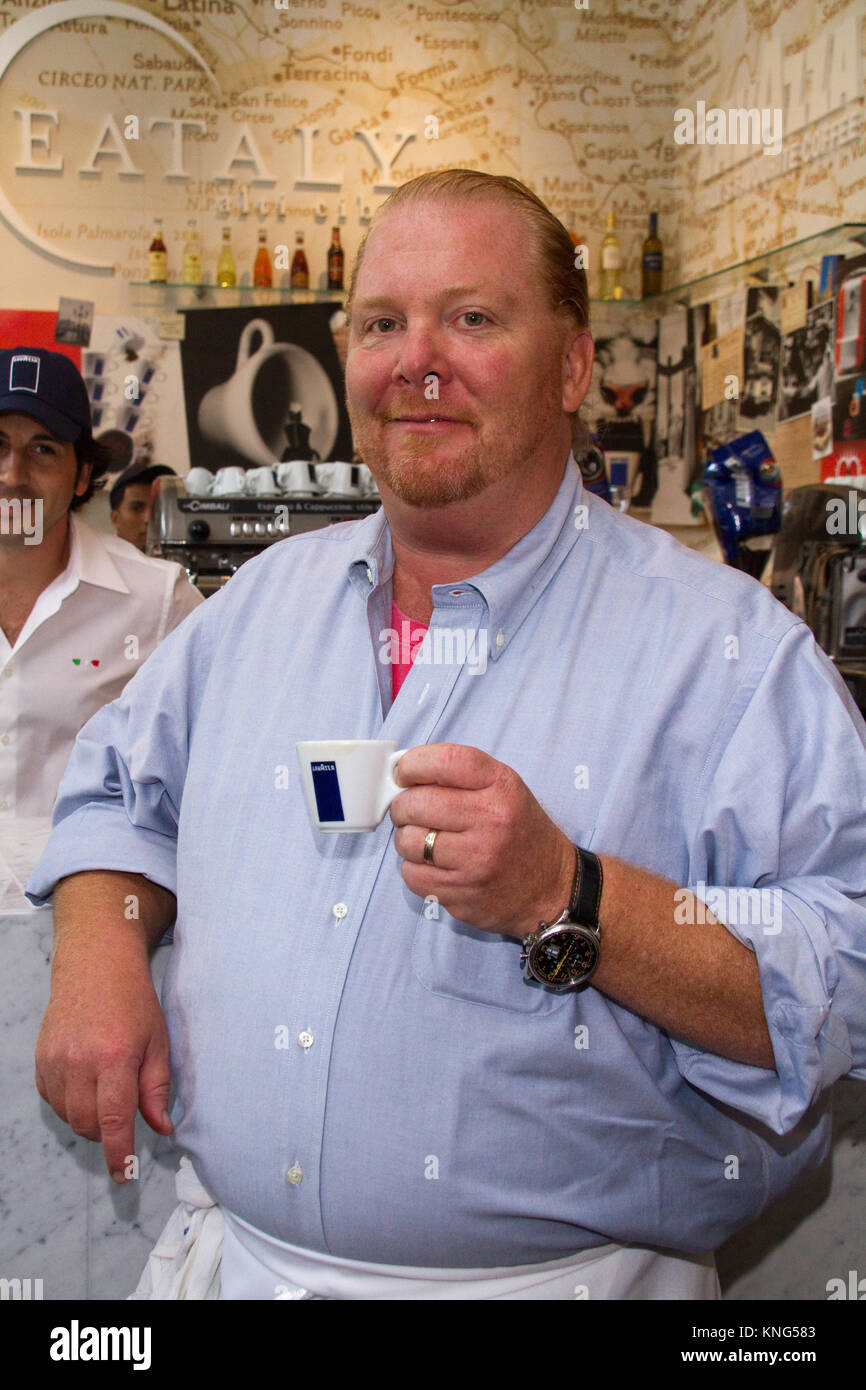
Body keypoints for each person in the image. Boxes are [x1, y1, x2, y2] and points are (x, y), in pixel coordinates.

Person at [28, 173, 866, 1300]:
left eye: (471, 318)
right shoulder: (254, 611)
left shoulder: (727, 656)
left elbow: (848, 970)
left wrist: (572, 898)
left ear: (572, 365)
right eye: (383, 323)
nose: (416, 359)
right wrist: (99, 947)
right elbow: (118, 793)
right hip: (240, 1269)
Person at [0, 347, 203, 820]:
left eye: (42, 449)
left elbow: (231, 754)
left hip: (86, 890)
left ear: (82, 475)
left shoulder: (159, 601)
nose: (13, 475)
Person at [109, 460, 176, 553]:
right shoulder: (100, 562)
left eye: (157, 509)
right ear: (115, 518)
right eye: (136, 508)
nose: (148, 519)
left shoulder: (178, 559)